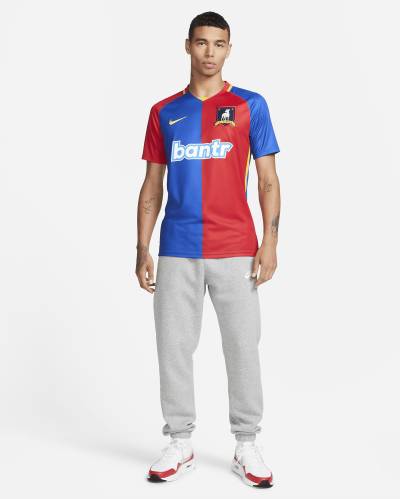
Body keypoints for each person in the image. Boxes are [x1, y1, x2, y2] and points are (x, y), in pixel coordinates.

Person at [136, 11, 281, 488]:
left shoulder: (249, 106)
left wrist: (270, 241)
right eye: (201, 43)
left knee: (242, 347)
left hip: (236, 247)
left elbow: (267, 179)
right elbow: (152, 185)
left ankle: (247, 442)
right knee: (173, 348)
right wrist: (142, 246)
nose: (210, 52)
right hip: (177, 247)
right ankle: (179, 441)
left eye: (219, 44)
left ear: (229, 49)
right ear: (188, 46)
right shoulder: (164, 112)